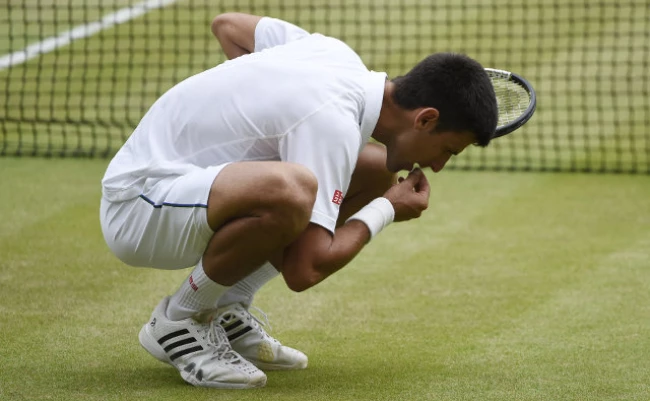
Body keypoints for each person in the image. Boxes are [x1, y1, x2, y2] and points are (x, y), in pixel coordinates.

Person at [99, 12, 498, 389]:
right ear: (425, 119)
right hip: (139, 205)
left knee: (374, 169)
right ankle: (179, 319)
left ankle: (226, 306)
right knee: (290, 189)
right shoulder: (333, 123)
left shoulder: (336, 55)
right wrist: (386, 209)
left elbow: (230, 26)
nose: (439, 165)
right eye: (447, 149)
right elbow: (304, 269)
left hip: (188, 189)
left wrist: (250, 124)